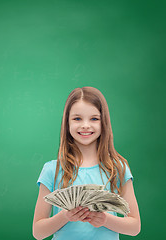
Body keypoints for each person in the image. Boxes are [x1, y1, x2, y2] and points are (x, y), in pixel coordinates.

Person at [32, 86, 141, 240]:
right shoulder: (52, 169)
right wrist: (65, 216)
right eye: (77, 118)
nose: (85, 125)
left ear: (103, 123)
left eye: (94, 119)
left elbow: (134, 227)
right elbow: (38, 232)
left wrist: (105, 220)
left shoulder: (117, 168)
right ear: (67, 122)